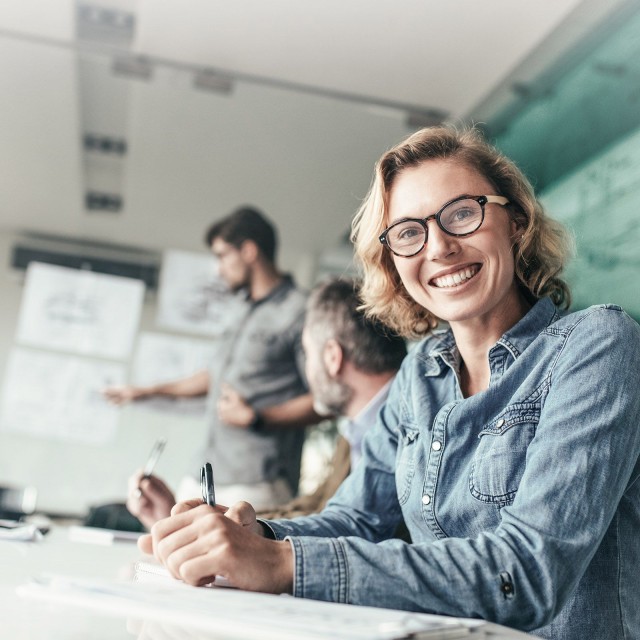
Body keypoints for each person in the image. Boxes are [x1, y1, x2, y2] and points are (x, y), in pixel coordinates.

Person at [138, 127, 640, 640]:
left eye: (463, 213)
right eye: (407, 232)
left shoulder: (598, 343)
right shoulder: (420, 373)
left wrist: (281, 562)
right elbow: (356, 518)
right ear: (395, 264)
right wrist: (256, 535)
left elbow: (527, 572)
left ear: (514, 221)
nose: (440, 247)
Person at [127, 277, 407, 527]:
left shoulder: (407, 433)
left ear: (333, 358)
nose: (306, 374)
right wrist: (190, 523)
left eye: (308, 354)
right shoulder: (355, 436)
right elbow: (316, 512)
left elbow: (348, 536)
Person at [106, 206, 320, 511]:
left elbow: (326, 400)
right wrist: (146, 391)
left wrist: (258, 418)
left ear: (248, 251)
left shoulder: (301, 311)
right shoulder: (239, 310)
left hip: (256, 483)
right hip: (203, 472)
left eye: (222, 256)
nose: (219, 269)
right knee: (168, 553)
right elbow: (215, 375)